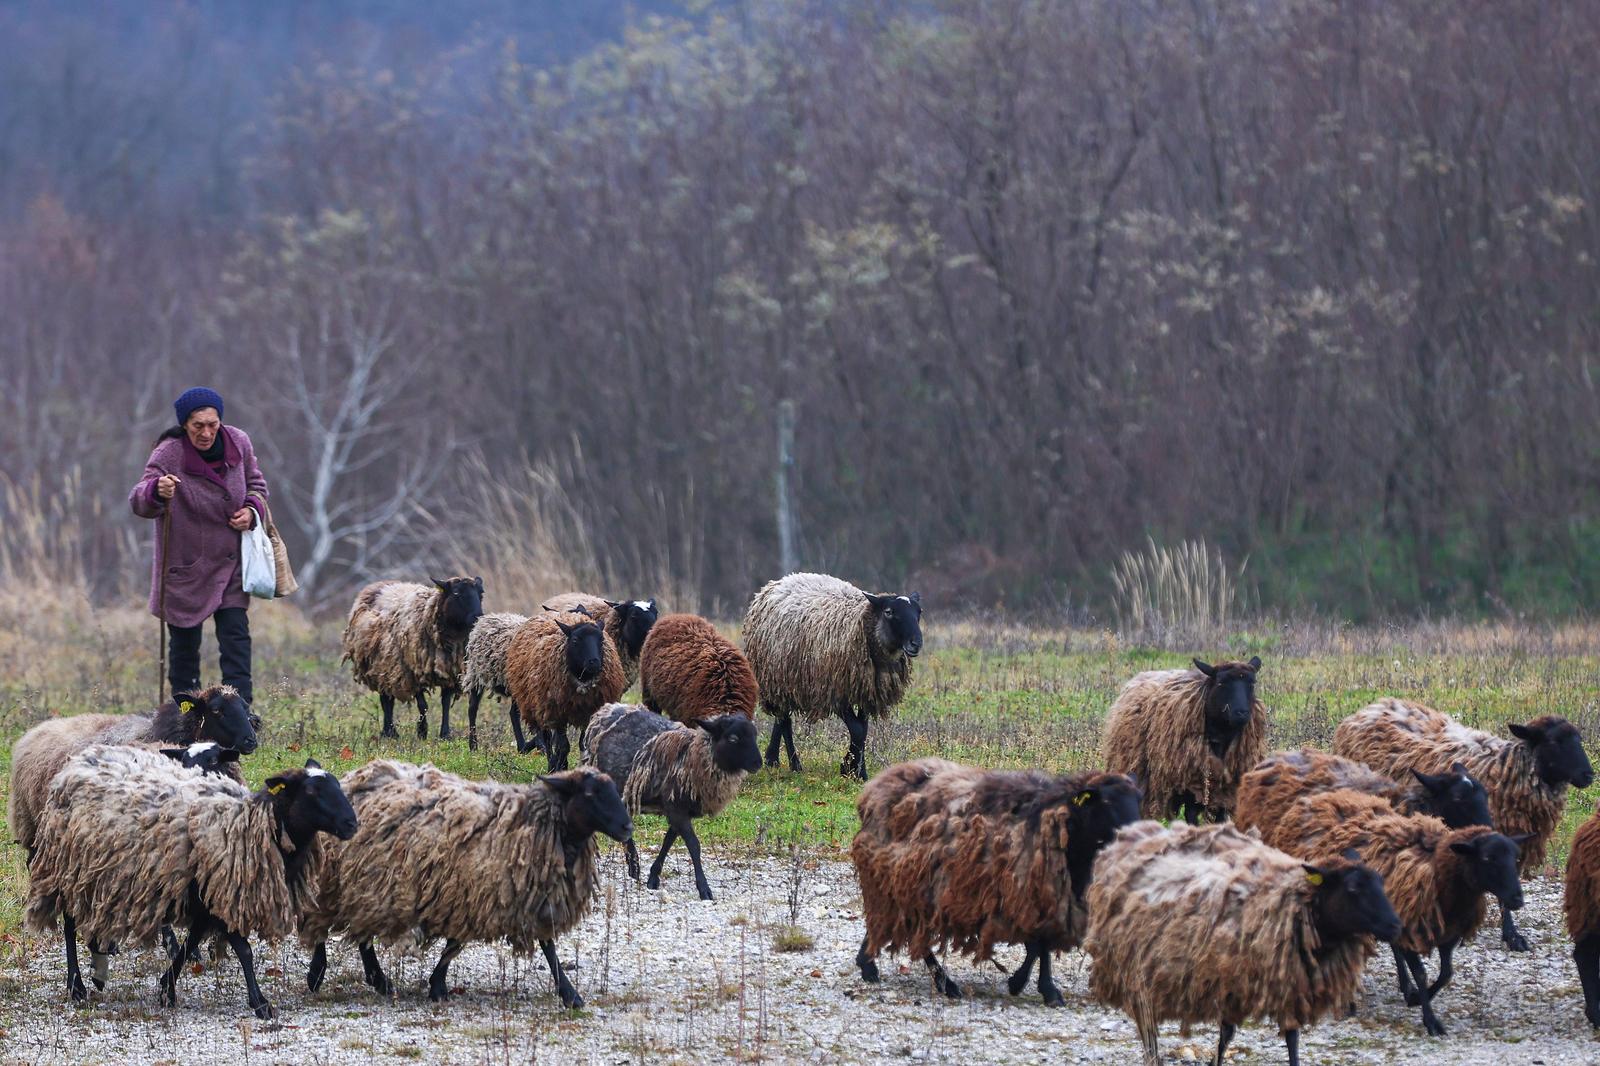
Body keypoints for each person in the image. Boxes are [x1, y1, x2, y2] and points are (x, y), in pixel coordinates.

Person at [130, 387, 269, 707]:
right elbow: (138, 501)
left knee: (236, 638)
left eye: (213, 424)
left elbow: (258, 486)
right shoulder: (168, 454)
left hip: (231, 563)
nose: (206, 432)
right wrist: (156, 489)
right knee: (184, 647)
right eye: (198, 426)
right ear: (184, 425)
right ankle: (184, 713)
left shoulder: (239, 443)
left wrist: (251, 511)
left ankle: (239, 712)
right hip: (186, 568)